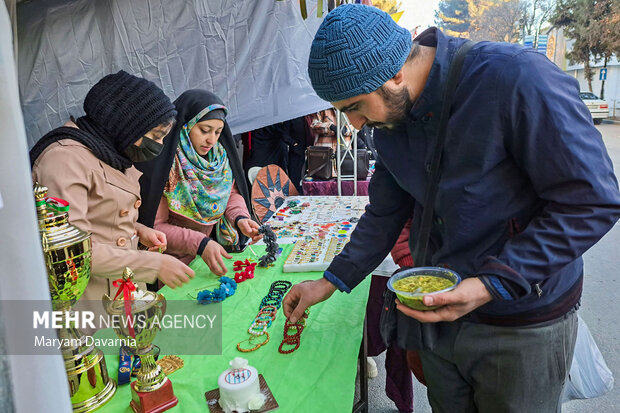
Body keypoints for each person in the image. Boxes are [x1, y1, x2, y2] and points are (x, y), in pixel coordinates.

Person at [283, 5, 620, 413]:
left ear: (393, 74)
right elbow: (386, 212)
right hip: (440, 320)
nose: (354, 125)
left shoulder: (515, 79)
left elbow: (591, 201)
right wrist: (331, 281)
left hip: (521, 323)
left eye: (355, 107)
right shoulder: (389, 118)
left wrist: (488, 285)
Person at [30, 70, 195, 312]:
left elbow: (100, 216)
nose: (159, 146)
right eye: (156, 136)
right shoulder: (64, 160)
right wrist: (154, 265)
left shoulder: (111, 152)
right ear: (126, 124)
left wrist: (136, 231)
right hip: (88, 303)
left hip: (119, 290)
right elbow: (71, 250)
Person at [137, 90, 260, 277]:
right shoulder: (165, 163)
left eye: (218, 132)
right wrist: (200, 243)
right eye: (204, 130)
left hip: (212, 253)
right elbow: (155, 226)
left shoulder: (219, 157)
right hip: (175, 263)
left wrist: (240, 218)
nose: (211, 140)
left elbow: (230, 194)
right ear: (186, 125)